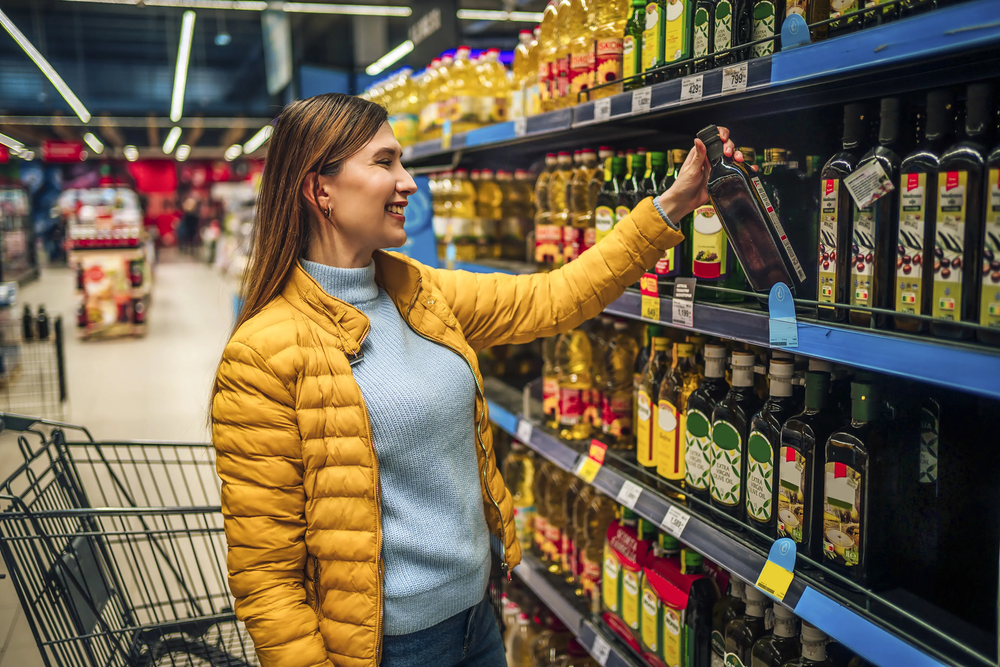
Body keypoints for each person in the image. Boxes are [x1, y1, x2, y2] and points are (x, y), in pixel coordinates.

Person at [210, 92, 746, 667]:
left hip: (479, 621)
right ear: (321, 190)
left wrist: (670, 205)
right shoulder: (262, 354)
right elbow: (267, 579)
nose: (409, 183)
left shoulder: (419, 292)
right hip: (389, 649)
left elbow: (554, 298)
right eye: (385, 162)